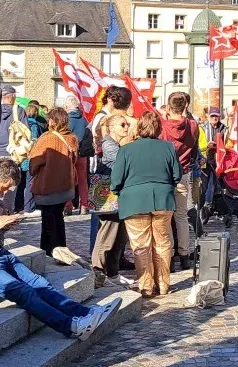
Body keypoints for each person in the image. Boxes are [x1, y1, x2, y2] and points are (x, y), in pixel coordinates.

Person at [0, 157, 118, 338]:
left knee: (40, 283)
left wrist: (2, 228)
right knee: (24, 292)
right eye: (4, 188)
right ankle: (72, 327)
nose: (3, 194)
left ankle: (84, 313)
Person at [111, 111, 180, 298]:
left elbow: (116, 180)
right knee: (162, 243)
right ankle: (164, 285)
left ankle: (146, 286)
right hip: (162, 199)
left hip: (134, 201)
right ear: (158, 128)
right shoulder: (168, 147)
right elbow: (176, 175)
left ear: (139, 127)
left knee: (141, 245)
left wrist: (119, 192)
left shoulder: (126, 149)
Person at [92, 109, 136, 288]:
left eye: (127, 124)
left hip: (119, 196)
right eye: (122, 125)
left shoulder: (118, 144)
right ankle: (97, 272)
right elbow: (123, 164)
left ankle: (113, 273)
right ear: (110, 128)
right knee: (107, 236)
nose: (126, 128)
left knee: (120, 237)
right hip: (109, 197)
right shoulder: (109, 144)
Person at [158, 92, 200, 271]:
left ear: (168, 107)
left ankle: (170, 255)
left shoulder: (163, 126)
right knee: (181, 217)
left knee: (166, 218)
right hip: (183, 172)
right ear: (185, 107)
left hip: (165, 174)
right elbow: (194, 147)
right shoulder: (192, 125)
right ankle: (184, 255)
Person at [28, 107, 77, 256]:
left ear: (52, 121)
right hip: (65, 186)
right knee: (58, 218)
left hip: (48, 186)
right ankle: (61, 248)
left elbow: (34, 163)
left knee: (48, 222)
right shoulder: (72, 138)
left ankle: (49, 252)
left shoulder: (47, 138)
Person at [64, 94, 95, 215]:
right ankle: (84, 206)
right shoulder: (84, 119)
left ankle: (68, 206)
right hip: (82, 153)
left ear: (67, 106)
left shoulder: (66, 119)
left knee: (68, 180)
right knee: (82, 180)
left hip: (69, 154)